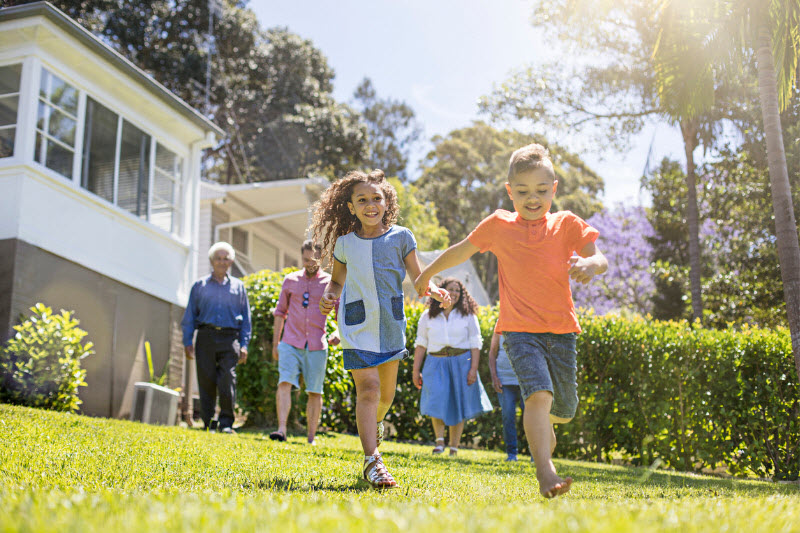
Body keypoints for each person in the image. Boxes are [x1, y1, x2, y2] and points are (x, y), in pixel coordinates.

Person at [414, 143, 608, 498]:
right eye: (522, 191)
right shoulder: (499, 225)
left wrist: (588, 266)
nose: (532, 198)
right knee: (538, 396)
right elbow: (462, 249)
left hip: (562, 333)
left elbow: (600, 258)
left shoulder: (566, 223)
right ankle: (545, 473)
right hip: (519, 332)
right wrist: (426, 273)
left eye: (540, 190)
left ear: (554, 188)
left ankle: (543, 433)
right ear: (509, 191)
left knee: (561, 409)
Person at [313, 169, 451, 489]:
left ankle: (372, 428)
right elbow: (336, 281)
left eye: (377, 198)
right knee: (370, 390)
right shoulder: (345, 244)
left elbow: (418, 278)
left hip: (390, 324)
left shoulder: (402, 237)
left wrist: (434, 290)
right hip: (356, 326)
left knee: (385, 397)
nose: (370, 205)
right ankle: (372, 461)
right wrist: (329, 297)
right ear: (351, 207)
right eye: (362, 200)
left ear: (387, 201)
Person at [412, 277, 493, 457]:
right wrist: (415, 369)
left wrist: (473, 369)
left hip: (461, 362)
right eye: (451, 289)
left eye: (458, 290)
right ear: (441, 292)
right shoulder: (427, 316)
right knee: (436, 400)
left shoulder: (468, 315)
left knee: (458, 403)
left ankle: (454, 447)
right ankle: (439, 442)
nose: (455, 293)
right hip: (435, 362)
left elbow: (475, 344)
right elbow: (421, 344)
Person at [270, 240, 339, 445]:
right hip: (290, 342)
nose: (309, 264)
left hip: (317, 345)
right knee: (284, 383)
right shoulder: (290, 280)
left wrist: (339, 335)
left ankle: (310, 438)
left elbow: (339, 315)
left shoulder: (330, 283)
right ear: (301, 258)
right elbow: (280, 313)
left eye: (314, 260)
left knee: (314, 391)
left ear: (322, 259)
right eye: (306, 259)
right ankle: (281, 430)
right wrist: (276, 344)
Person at [182, 242, 252, 434]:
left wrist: (244, 345)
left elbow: (246, 320)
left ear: (231, 262)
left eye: (226, 258)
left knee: (227, 379)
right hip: (205, 336)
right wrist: (188, 341)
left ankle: (227, 423)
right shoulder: (199, 286)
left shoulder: (239, 287)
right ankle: (208, 423)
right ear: (212, 261)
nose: (222, 262)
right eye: (218, 258)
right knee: (206, 380)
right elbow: (189, 316)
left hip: (230, 339)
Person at [488, 326, 525, 462]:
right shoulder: (501, 323)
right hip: (504, 380)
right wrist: (494, 377)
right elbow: (492, 353)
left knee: (532, 417)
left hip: (526, 381)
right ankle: (512, 454)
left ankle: (536, 455)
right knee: (508, 415)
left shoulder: (529, 320)